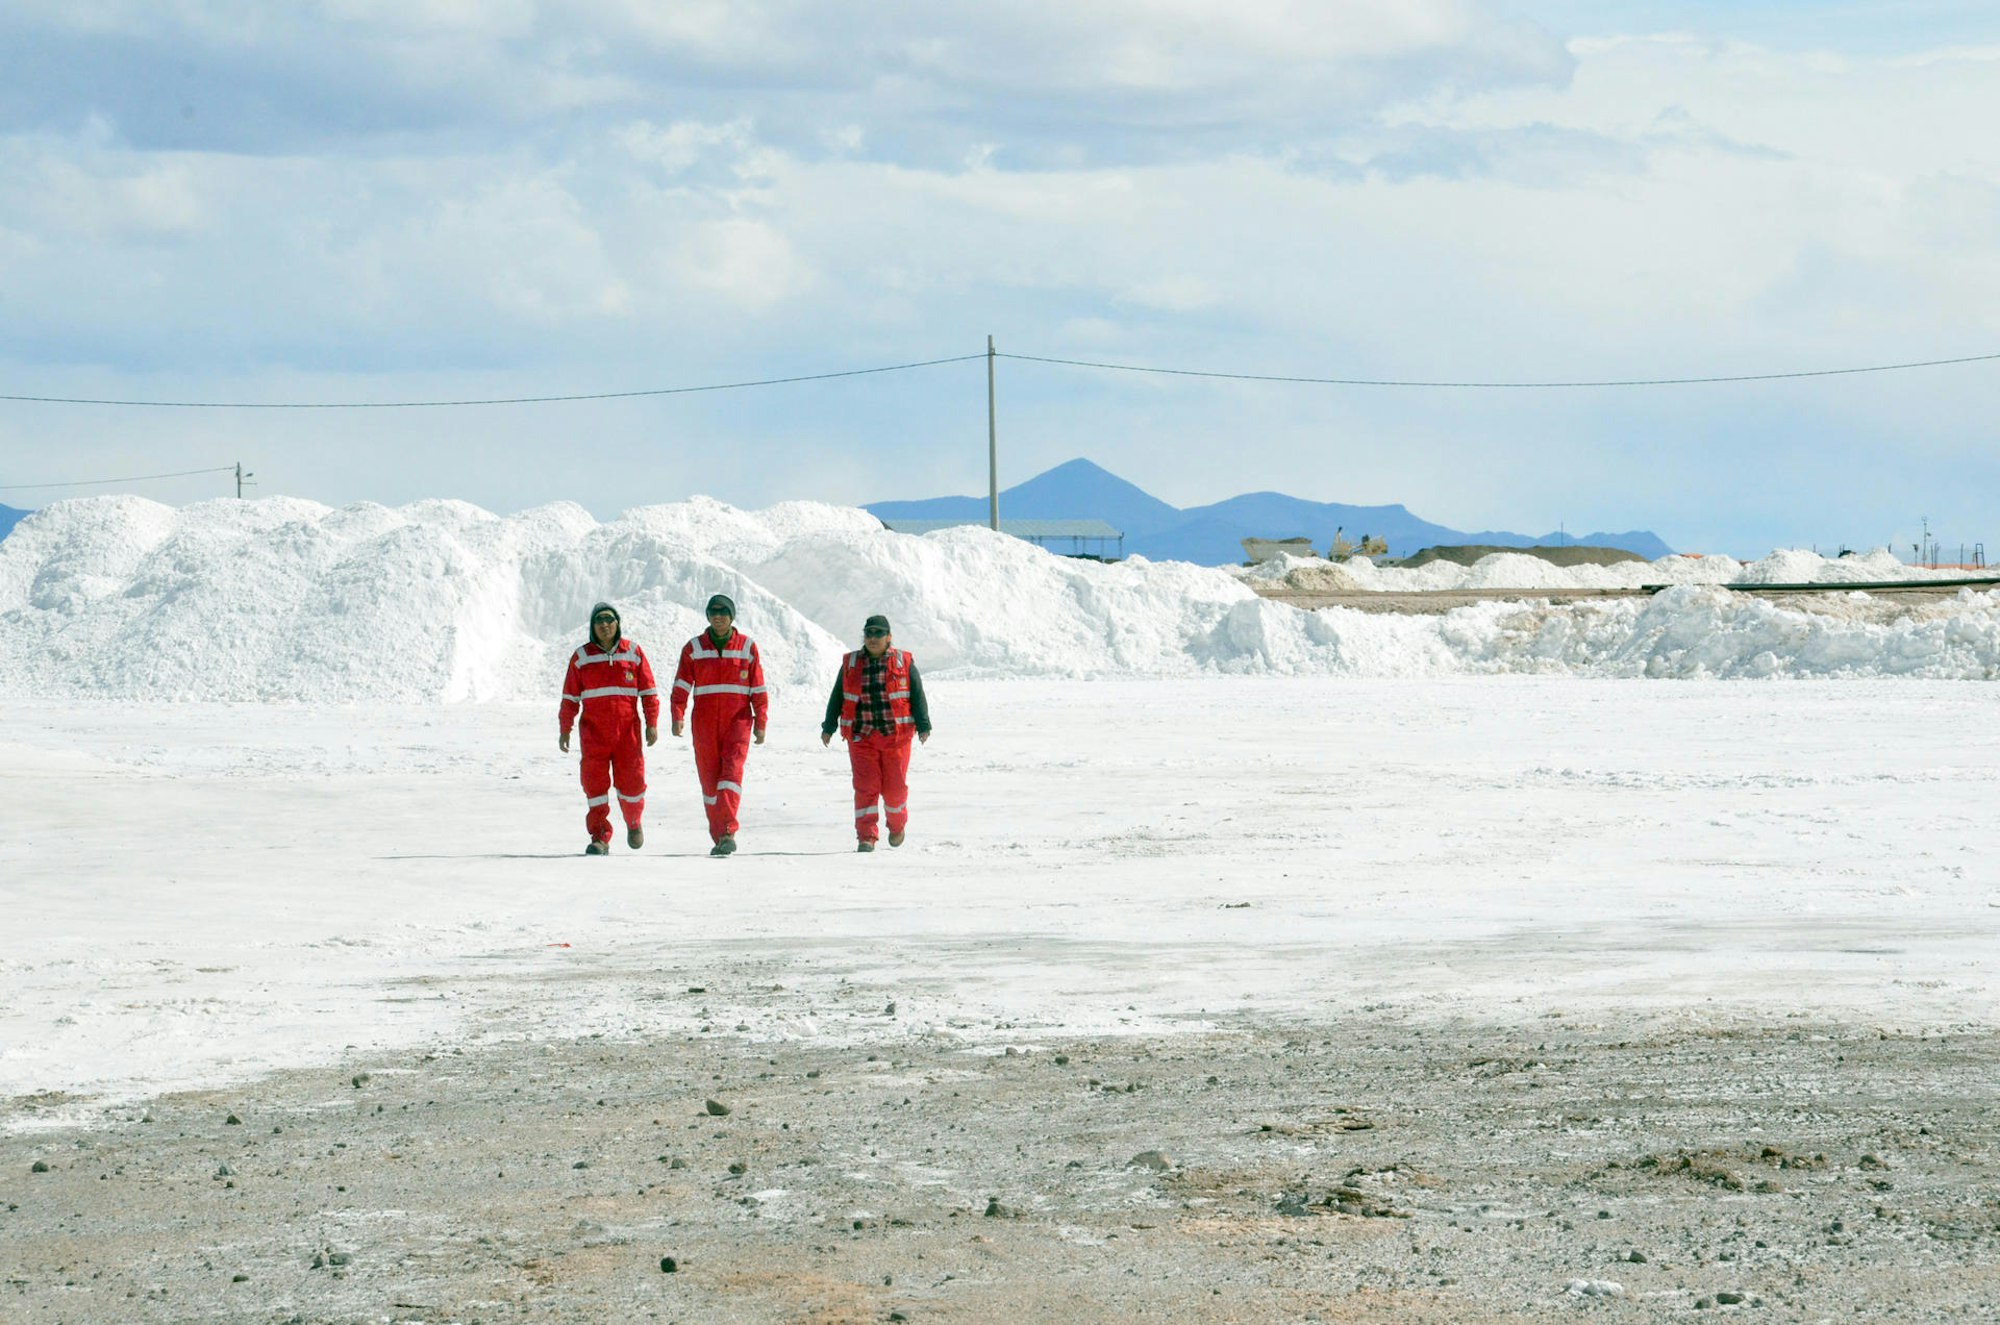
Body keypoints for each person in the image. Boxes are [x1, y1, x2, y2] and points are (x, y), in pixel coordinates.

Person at [821, 614, 931, 852]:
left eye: (878, 634)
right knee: (865, 787)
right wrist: (828, 726)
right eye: (868, 634)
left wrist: (924, 724)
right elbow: (837, 695)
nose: (872, 638)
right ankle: (866, 836)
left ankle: (897, 825)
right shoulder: (851, 663)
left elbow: (917, 693)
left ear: (889, 637)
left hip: (895, 738)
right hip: (862, 737)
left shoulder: (903, 661)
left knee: (894, 789)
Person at [558, 602, 659, 855]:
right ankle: (600, 836)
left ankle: (634, 822)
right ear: (592, 626)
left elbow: (649, 692)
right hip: (594, 736)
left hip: (628, 735)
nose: (604, 625)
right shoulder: (581, 657)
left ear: (617, 623)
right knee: (595, 788)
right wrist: (565, 728)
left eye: (609, 620)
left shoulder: (633, 653)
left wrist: (652, 723)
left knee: (633, 785)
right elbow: (570, 697)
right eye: (599, 620)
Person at [670, 593, 768, 856]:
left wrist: (761, 720)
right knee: (710, 781)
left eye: (723, 612)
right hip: (704, 725)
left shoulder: (747, 647)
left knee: (731, 774)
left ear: (731, 616)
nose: (718, 617)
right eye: (713, 612)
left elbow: (758, 687)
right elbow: (681, 685)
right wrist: (677, 715)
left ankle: (727, 830)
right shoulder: (693, 648)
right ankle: (719, 836)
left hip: (738, 722)